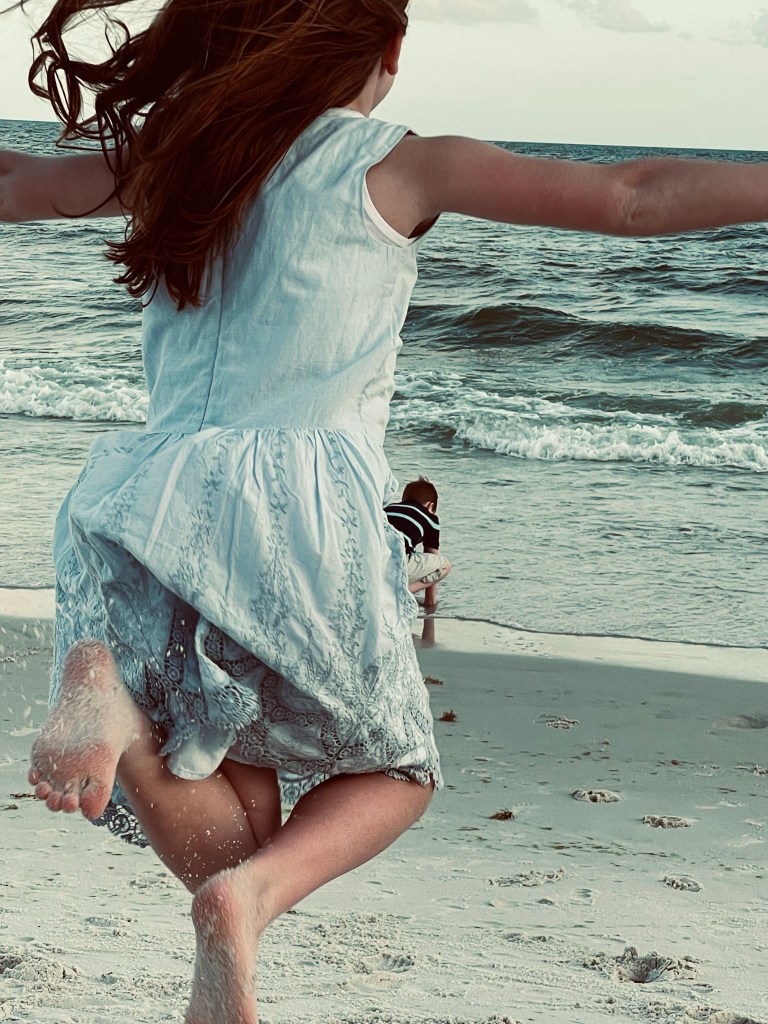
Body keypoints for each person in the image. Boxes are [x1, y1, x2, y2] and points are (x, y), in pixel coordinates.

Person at [3, 1, 768, 1021]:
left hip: (147, 506)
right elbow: (631, 197)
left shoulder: (175, 157)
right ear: (388, 50)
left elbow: (16, 185)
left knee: (235, 803)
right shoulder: (399, 164)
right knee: (399, 770)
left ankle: (124, 724)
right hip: (301, 517)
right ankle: (244, 897)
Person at [385, 476, 452, 603]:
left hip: (375, 557)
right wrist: (430, 602)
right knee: (445, 566)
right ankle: (399, 593)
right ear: (431, 506)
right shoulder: (431, 518)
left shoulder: (388, 509)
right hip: (396, 561)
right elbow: (432, 557)